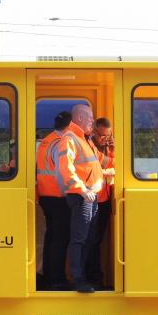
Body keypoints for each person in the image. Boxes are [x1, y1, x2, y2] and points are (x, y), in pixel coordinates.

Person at [57, 103, 103, 293]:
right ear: (81, 119)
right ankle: (77, 280)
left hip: (91, 197)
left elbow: (95, 165)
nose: (92, 122)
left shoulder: (83, 139)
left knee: (88, 238)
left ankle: (83, 277)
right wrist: (82, 189)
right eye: (90, 118)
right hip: (82, 197)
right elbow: (65, 168)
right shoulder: (70, 139)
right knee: (79, 239)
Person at [36, 111, 72, 290]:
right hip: (59, 197)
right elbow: (65, 171)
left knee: (51, 238)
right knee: (60, 239)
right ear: (70, 126)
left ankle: (49, 276)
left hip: (46, 195)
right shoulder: (61, 143)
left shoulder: (47, 140)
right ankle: (57, 280)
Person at [86, 117, 115, 288]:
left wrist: (113, 146)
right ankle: (93, 277)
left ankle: (96, 276)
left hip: (104, 199)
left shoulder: (109, 147)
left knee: (97, 241)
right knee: (91, 241)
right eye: (102, 136)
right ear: (94, 131)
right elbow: (98, 166)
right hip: (90, 198)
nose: (105, 139)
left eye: (108, 136)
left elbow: (117, 162)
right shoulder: (88, 145)